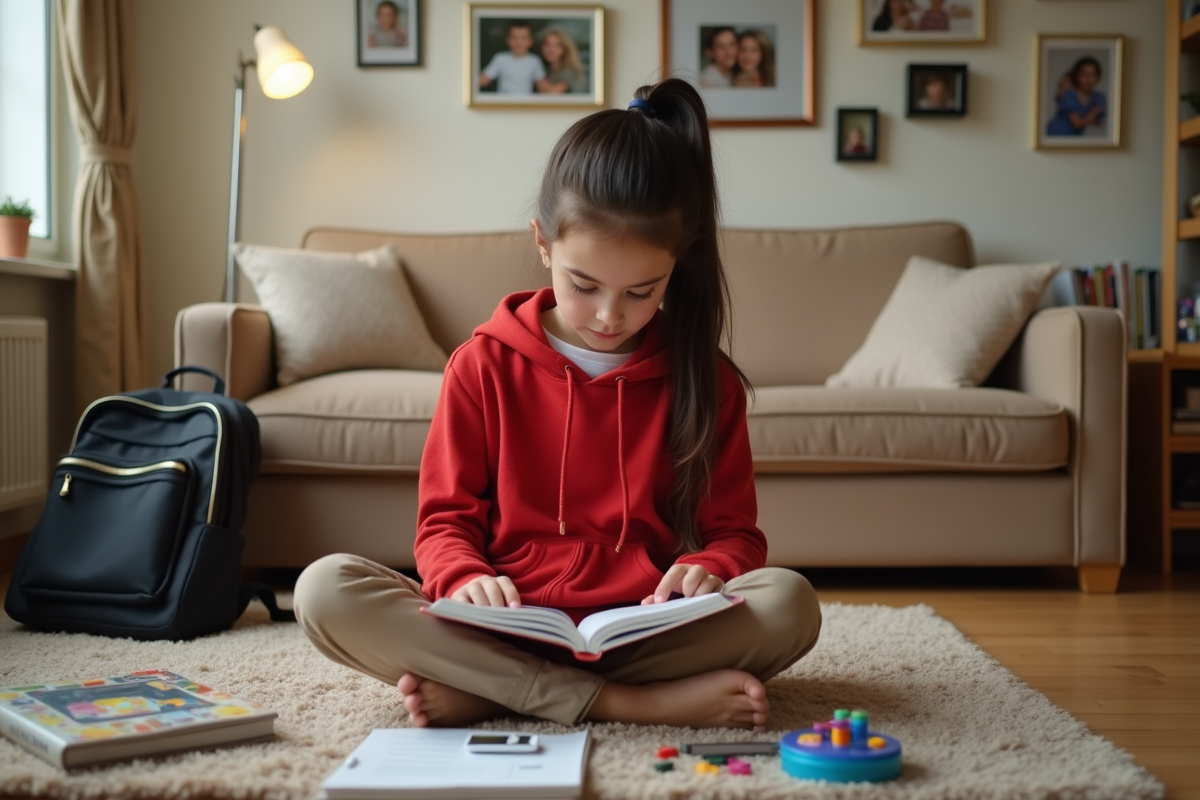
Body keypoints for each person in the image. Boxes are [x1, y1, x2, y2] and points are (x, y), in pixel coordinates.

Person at [292, 78, 822, 732]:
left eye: (641, 291)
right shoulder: (481, 365)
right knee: (324, 589)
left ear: (675, 268)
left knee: (790, 603)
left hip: (641, 630)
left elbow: (736, 534)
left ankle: (498, 694)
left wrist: (708, 568)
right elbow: (445, 522)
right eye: (585, 284)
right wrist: (462, 577)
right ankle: (627, 704)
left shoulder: (707, 382)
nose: (609, 315)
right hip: (502, 626)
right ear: (543, 243)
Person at [479, 20, 545, 94]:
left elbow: (542, 86)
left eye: (523, 38)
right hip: (504, 103)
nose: (518, 42)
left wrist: (559, 87)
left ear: (530, 41)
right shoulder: (500, 58)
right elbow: (483, 80)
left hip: (526, 104)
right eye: (514, 37)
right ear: (508, 40)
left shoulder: (534, 60)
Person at [1047, 56, 1107, 136]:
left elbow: (1100, 123)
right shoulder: (1070, 94)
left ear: (1098, 77)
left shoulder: (1099, 97)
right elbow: (1077, 123)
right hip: (1057, 135)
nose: (1088, 79)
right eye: (1084, 75)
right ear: (1077, 76)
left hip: (1075, 139)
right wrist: (1093, 113)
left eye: (1093, 75)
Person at [535, 27, 586, 94]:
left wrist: (538, 80)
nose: (551, 50)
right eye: (547, 44)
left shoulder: (567, 72)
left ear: (564, 49)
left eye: (557, 45)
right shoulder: (546, 70)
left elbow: (549, 94)